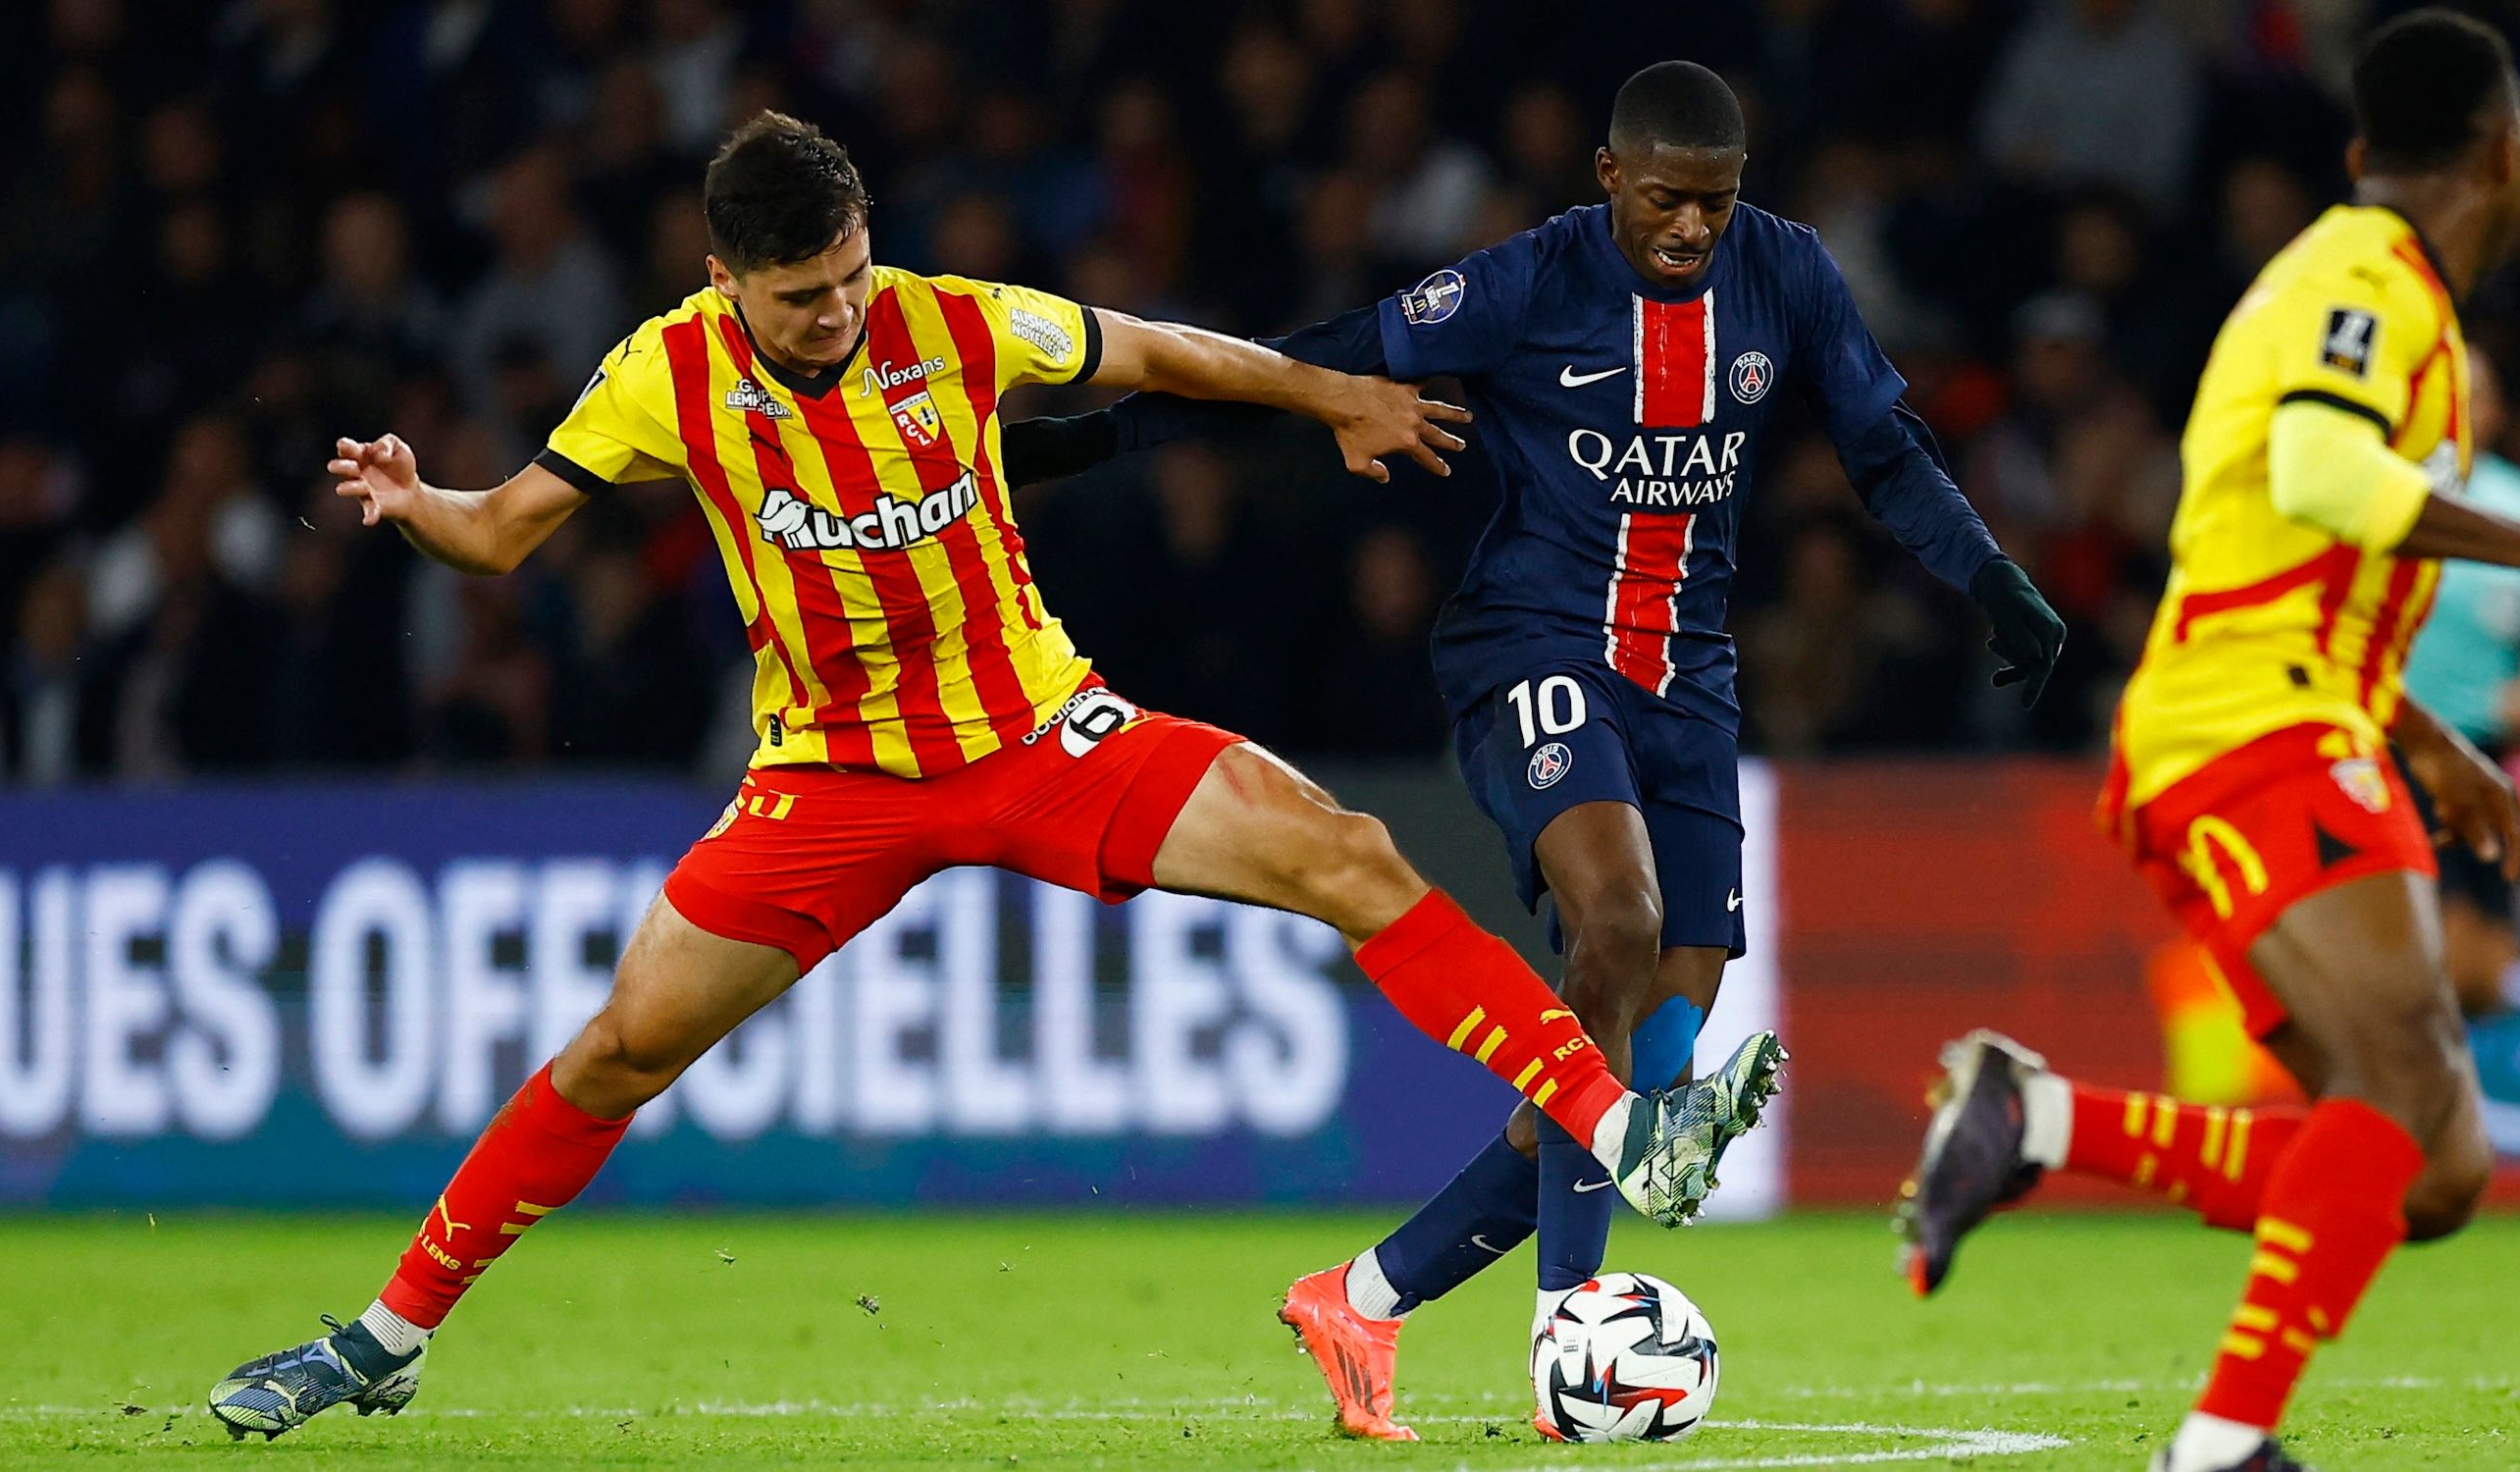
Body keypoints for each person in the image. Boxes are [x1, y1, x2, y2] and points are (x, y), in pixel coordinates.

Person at [204, 112, 1785, 1443]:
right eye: (799, 298)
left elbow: (1158, 349)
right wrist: (426, 502)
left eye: (845, 279)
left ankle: (1622, 1125)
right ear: (721, 280)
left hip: (1041, 736)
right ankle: (383, 1340)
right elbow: (503, 533)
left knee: (1347, 853)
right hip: (829, 782)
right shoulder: (662, 376)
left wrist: (1336, 397)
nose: (835, 315)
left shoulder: (952, 320)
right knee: (620, 1050)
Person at [1008, 62, 2063, 1442]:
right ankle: (1574, 1320)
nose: (1694, 230)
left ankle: (1366, 1295)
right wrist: (1098, 440)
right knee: (1613, 924)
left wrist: (1992, 578)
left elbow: (1883, 445)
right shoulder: (1528, 281)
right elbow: (1327, 353)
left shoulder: (1787, 275)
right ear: (1612, 178)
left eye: (1719, 203)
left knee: (1645, 1077)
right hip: (1532, 645)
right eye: (1670, 200)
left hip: (1689, 677)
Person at [1896, 14, 2520, 1472]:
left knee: (2430, 1166)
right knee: (2406, 1086)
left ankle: (2037, 1122)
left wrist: (2425, 736)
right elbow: (2321, 473)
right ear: (2507, 150)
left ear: (2359, 149)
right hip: (2253, 721)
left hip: (2264, 711)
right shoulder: (2368, 275)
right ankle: (2222, 1447)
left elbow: (2266, 533)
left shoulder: (2362, 290)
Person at [2392, 344, 2520, 1015]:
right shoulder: (2387, 496)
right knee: (2420, 934)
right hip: (2389, 746)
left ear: (2498, 410)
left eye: (2476, 395)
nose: (2463, 411)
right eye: (2450, 394)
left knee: (2492, 941)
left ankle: (2477, 1086)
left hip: (2484, 750)